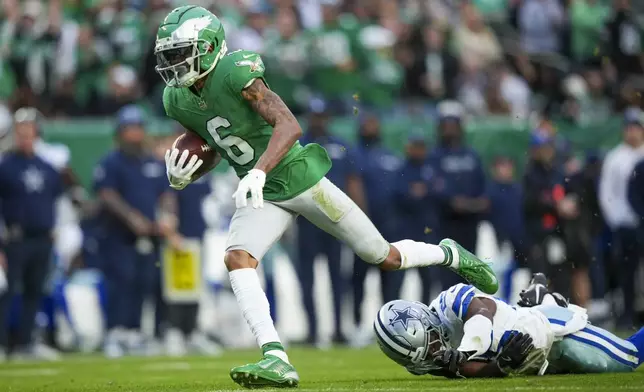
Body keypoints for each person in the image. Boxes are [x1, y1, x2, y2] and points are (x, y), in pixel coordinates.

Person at [157, 6, 498, 388]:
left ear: (210, 46)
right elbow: (215, 145)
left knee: (384, 256)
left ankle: (449, 253)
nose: (175, 63)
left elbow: (289, 124)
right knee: (238, 258)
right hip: (262, 193)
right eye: (169, 56)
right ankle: (275, 357)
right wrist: (186, 174)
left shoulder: (237, 71)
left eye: (181, 52)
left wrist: (257, 171)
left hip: (300, 178)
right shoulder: (176, 99)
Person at [374, 275, 644, 378]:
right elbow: (472, 371)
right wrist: (502, 366)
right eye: (424, 355)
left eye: (431, 344)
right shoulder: (432, 361)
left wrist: (467, 349)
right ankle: (541, 298)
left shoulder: (449, 302)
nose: (434, 354)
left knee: (629, 357)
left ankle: (545, 303)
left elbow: (482, 311)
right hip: (533, 360)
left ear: (427, 321)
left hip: (551, 332)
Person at [93, 105, 177, 358]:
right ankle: (114, 331)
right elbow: (107, 194)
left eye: (138, 128)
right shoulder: (111, 162)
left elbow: (166, 193)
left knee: (145, 283)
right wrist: (131, 218)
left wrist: (167, 217)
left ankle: (134, 331)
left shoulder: (151, 161)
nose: (135, 134)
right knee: (121, 282)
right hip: (118, 235)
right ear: (120, 133)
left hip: (149, 235)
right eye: (130, 129)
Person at [296, 98, 364, 345]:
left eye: (321, 116)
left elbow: (353, 181)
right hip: (307, 221)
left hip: (336, 222)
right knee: (307, 280)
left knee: (338, 278)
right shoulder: (297, 145)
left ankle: (338, 329)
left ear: (327, 118)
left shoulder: (340, 145)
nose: (318, 120)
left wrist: (359, 220)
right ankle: (312, 331)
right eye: (314, 116)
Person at [0, 108, 63, 360]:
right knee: (7, 292)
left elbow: (58, 201)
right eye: (21, 133)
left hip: (42, 237)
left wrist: (57, 229)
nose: (26, 137)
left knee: (35, 291)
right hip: (14, 238)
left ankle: (26, 342)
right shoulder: (5, 166)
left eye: (30, 133)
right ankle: (2, 344)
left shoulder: (48, 167)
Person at [352, 113, 405, 334]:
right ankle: (357, 326)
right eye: (367, 124)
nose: (371, 127)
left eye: (374, 123)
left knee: (390, 280)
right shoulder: (355, 155)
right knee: (358, 280)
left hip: (390, 228)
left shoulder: (391, 156)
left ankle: (389, 329)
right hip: (363, 229)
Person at [429, 101, 489, 289]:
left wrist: (477, 203)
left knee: (469, 274)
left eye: (453, 125)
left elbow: (482, 185)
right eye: (446, 125)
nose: (450, 130)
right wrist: (452, 201)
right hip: (444, 224)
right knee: (446, 275)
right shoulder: (435, 155)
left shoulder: (471, 155)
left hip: (469, 223)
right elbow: (435, 188)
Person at [600, 108, 644, 328]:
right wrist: (616, 220)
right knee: (627, 274)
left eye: (636, 127)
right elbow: (607, 193)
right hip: (626, 224)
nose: (633, 132)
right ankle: (627, 316)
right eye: (629, 128)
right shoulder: (615, 157)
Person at [395, 132, 439, 306]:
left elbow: (438, 192)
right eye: (415, 146)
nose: (418, 151)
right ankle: (392, 320)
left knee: (429, 280)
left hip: (427, 233)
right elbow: (400, 195)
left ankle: (426, 317)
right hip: (404, 233)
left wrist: (421, 191)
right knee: (397, 279)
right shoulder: (401, 169)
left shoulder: (431, 168)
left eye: (421, 147)